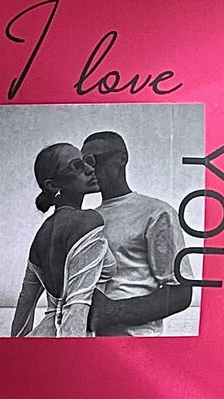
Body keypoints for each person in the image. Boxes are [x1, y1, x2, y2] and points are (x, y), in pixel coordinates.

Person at [80, 130, 192, 336]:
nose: (89, 169)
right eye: (81, 164)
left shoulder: (156, 212)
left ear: (122, 158)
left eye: (93, 160)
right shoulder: (85, 220)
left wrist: (111, 312)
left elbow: (181, 292)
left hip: (137, 343)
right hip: (90, 344)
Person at [11, 143, 109, 336]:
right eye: (77, 166)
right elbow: (77, 305)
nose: (90, 169)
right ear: (53, 185)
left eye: (87, 162)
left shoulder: (41, 235)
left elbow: (25, 305)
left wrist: (15, 350)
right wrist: (71, 353)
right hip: (71, 339)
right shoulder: (88, 220)